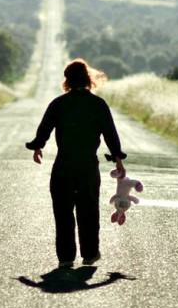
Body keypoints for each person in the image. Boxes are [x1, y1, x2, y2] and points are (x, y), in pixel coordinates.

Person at [26, 59, 127, 268]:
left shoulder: (58, 104)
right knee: (88, 211)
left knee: (63, 213)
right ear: (88, 79)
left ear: (67, 81)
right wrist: (118, 159)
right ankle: (89, 254)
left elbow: (44, 129)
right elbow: (110, 134)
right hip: (87, 168)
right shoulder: (98, 105)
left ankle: (66, 258)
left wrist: (37, 147)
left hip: (63, 167)